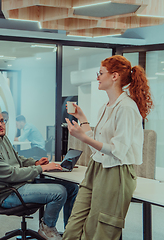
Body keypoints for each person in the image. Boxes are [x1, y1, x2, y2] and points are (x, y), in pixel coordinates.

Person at [62, 55, 153, 240]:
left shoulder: (127, 107)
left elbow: (117, 149)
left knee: (99, 231)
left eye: (100, 73)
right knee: (73, 227)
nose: (97, 77)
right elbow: (99, 146)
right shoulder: (106, 106)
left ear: (115, 76)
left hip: (116, 173)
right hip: (96, 169)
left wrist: (82, 138)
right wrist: (83, 119)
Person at [0, 109, 78, 240]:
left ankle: (71, 231)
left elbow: (17, 159)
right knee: (59, 192)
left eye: (2, 120)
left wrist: (35, 162)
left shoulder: (2, 138)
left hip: (23, 183)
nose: (1, 124)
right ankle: (47, 228)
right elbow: (12, 174)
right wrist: (41, 168)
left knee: (72, 187)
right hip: (9, 193)